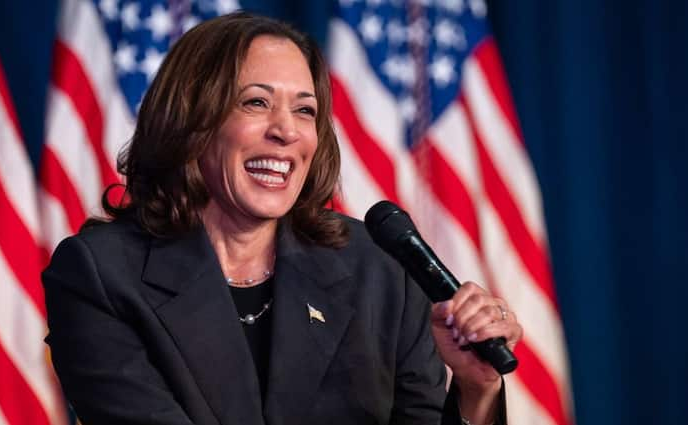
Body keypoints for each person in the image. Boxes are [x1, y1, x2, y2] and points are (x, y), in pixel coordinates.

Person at [42, 12, 523, 425]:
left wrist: (476, 392)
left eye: (305, 110)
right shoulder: (99, 275)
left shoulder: (379, 272)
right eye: (256, 102)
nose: (286, 131)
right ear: (191, 121)